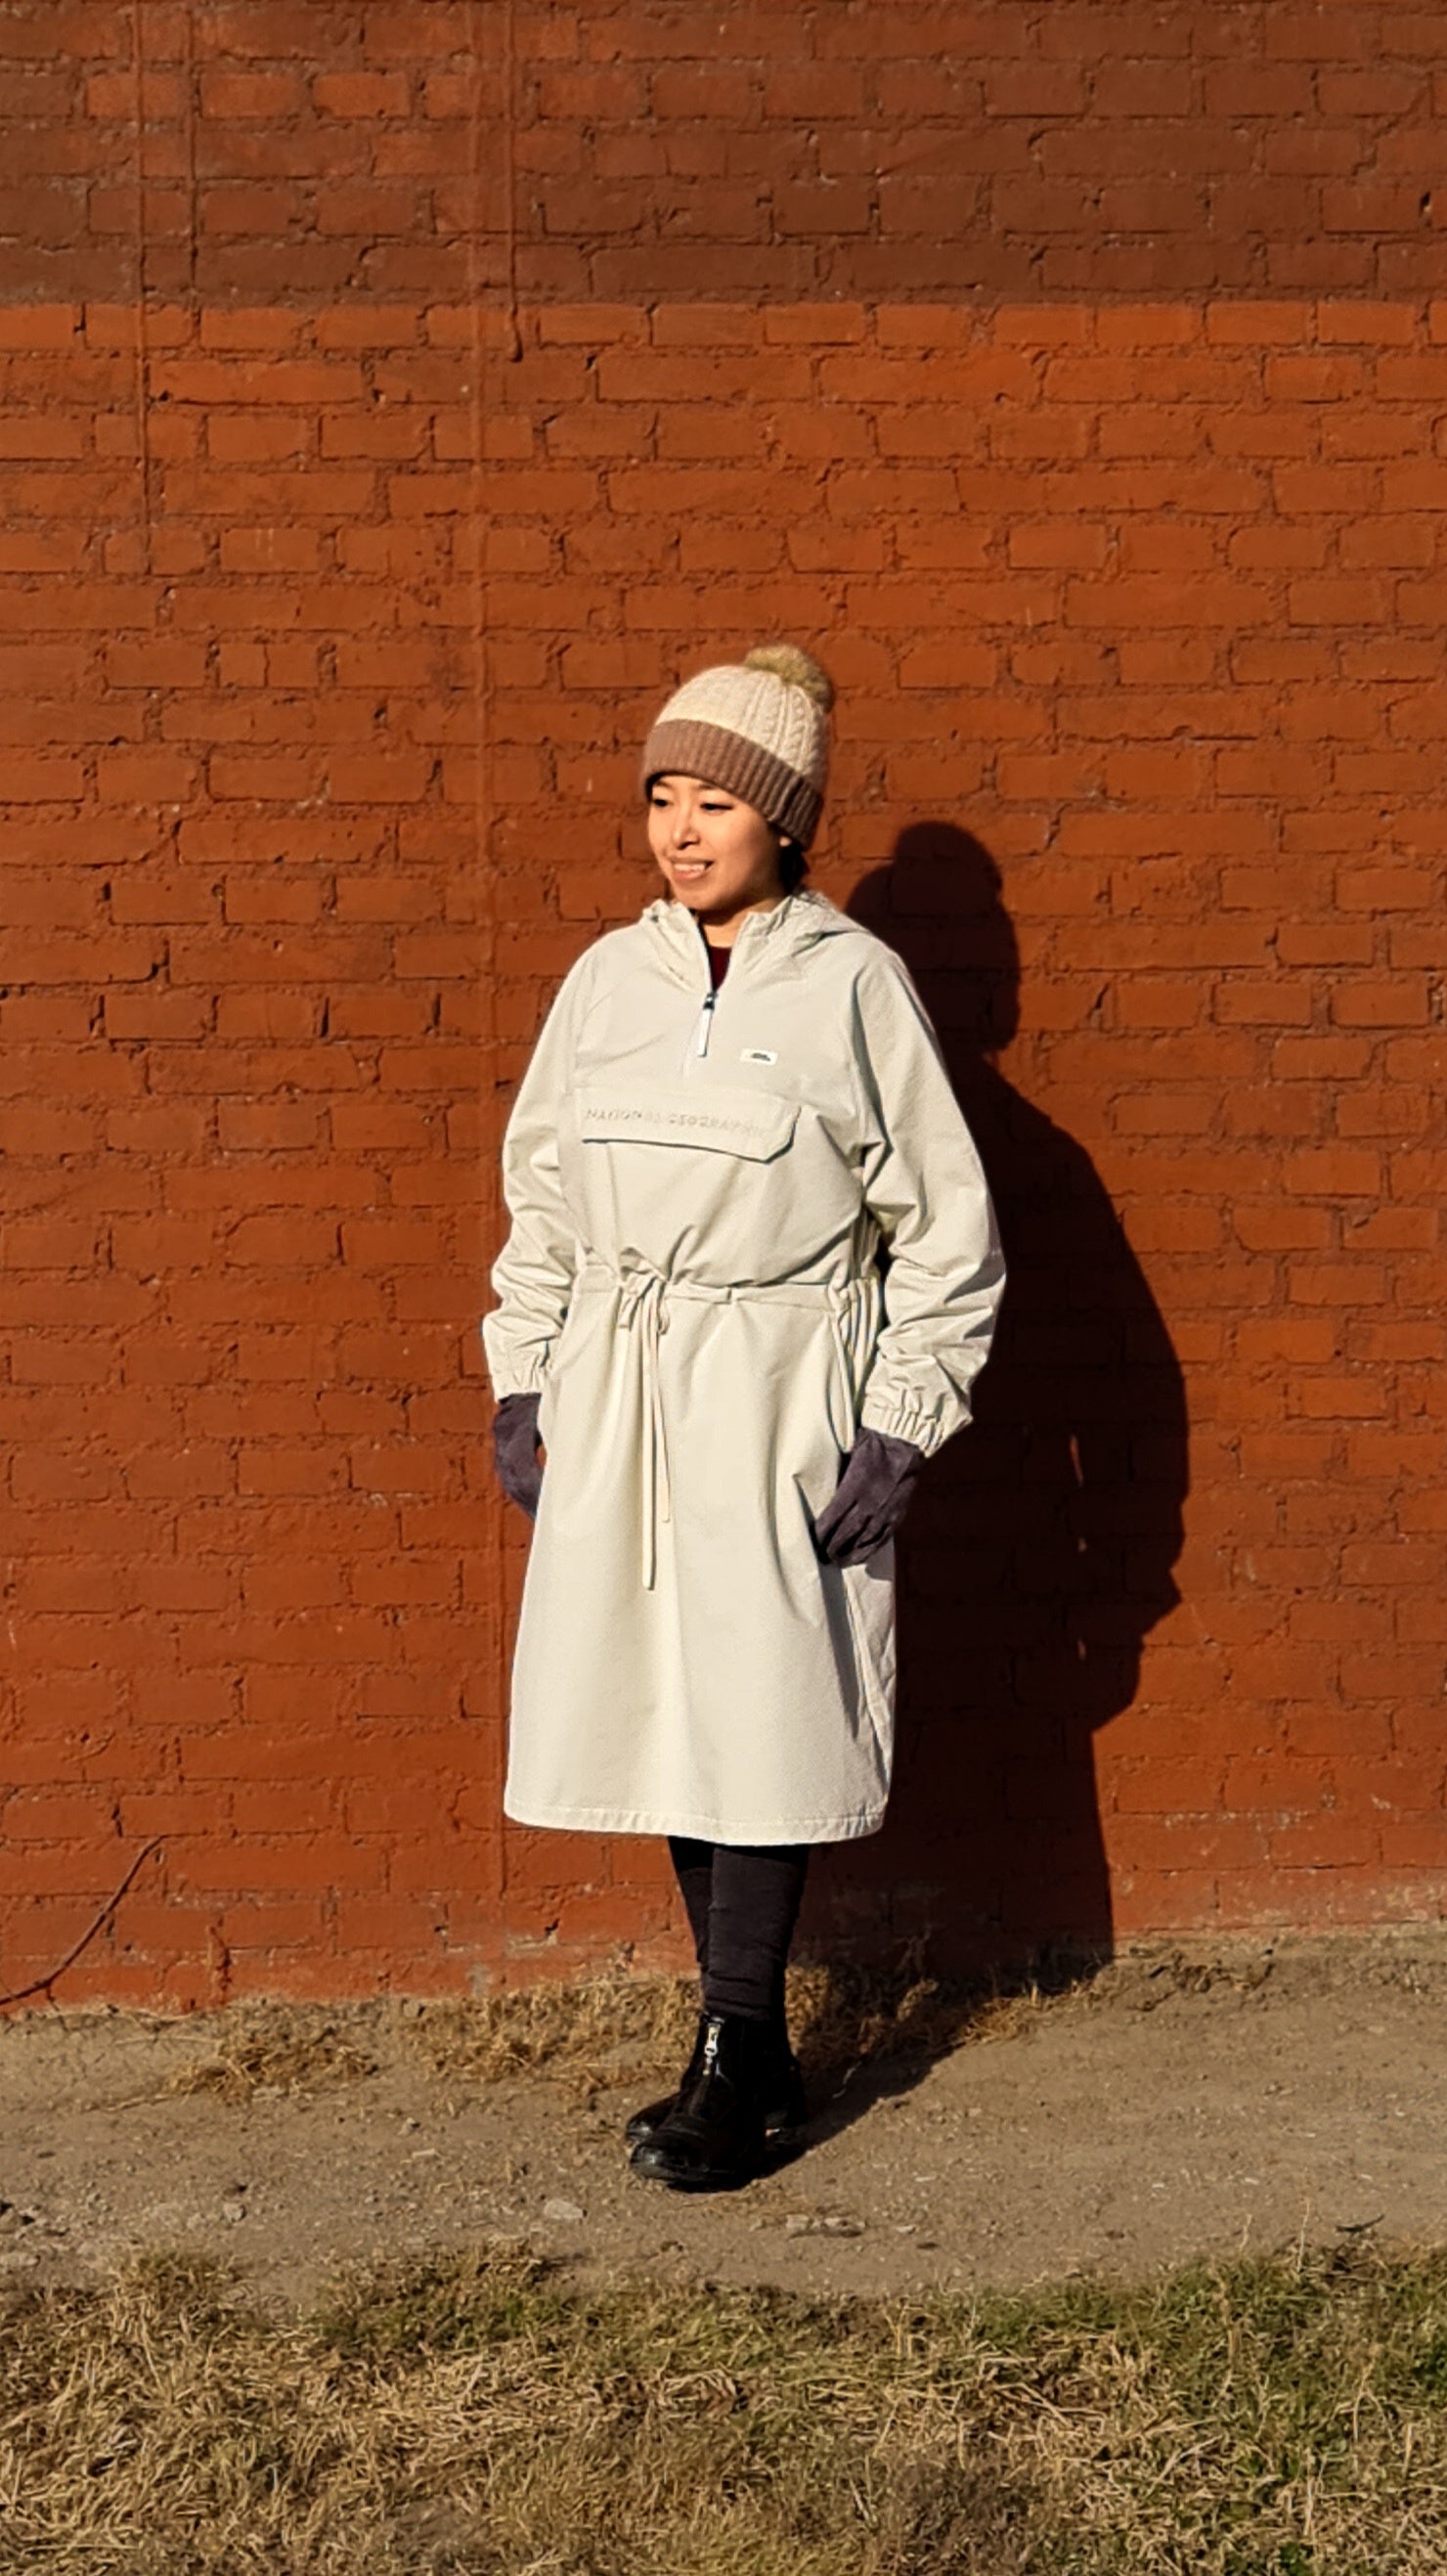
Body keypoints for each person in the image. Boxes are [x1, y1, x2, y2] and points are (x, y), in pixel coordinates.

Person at [482, 644, 1005, 2191]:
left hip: (781, 1390)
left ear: (787, 819)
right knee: (661, 1705)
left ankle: (738, 2041)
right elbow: (544, 1197)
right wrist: (527, 1374)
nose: (683, 827)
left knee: (760, 1713)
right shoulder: (606, 982)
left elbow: (949, 1229)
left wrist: (902, 1419)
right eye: (664, 795)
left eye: (718, 799)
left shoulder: (853, 986)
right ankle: (749, 2041)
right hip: (624, 1390)